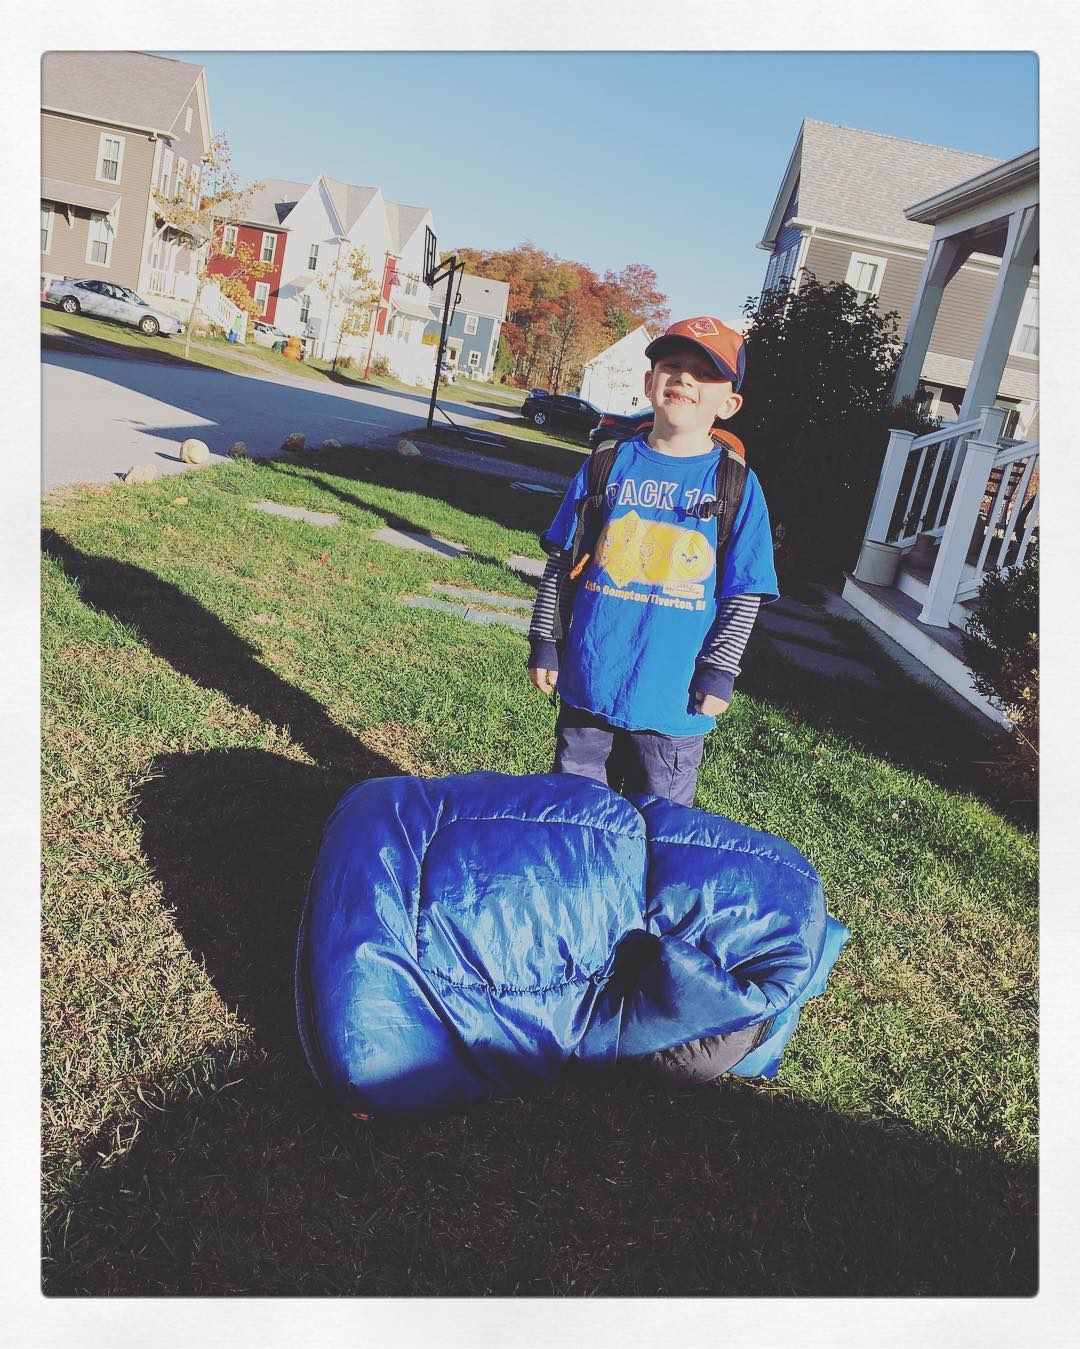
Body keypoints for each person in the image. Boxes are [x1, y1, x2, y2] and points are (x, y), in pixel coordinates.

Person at [527, 316, 778, 806]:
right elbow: (561, 563)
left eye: (705, 373)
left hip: (674, 700)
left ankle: (645, 881)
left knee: (659, 821)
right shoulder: (606, 465)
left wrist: (719, 671)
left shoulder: (736, 484)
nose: (684, 378)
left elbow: (744, 591)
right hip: (589, 681)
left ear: (729, 403)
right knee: (576, 809)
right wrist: (545, 642)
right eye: (673, 365)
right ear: (649, 382)